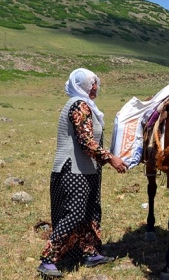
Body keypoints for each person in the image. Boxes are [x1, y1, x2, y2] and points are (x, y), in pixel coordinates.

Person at [38, 68, 128, 278]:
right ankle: (48, 259)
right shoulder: (78, 105)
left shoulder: (87, 106)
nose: (95, 87)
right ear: (81, 86)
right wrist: (110, 158)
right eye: (91, 84)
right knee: (75, 213)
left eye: (96, 83)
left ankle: (89, 253)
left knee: (90, 212)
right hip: (73, 169)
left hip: (86, 169)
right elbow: (86, 141)